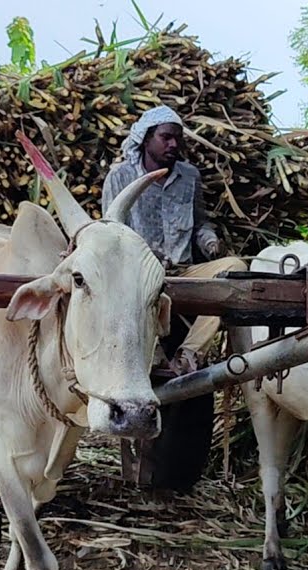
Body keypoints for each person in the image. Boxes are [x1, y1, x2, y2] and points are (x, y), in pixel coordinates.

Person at [101, 105, 247, 375]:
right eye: (165, 137)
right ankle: (151, 353)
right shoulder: (120, 176)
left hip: (183, 271)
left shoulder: (189, 176)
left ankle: (189, 352)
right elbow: (112, 231)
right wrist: (144, 256)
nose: (173, 144)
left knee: (235, 268)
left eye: (177, 138)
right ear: (146, 139)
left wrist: (211, 242)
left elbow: (200, 223)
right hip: (138, 273)